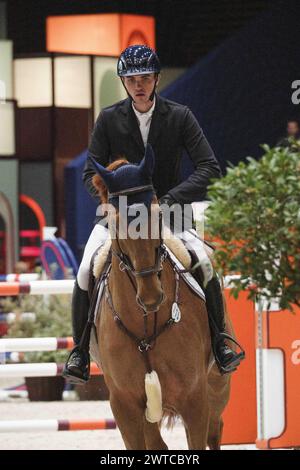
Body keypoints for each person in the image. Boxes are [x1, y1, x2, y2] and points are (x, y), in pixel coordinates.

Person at [63, 45, 244, 383]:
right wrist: (113, 202)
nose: (139, 85)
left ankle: (221, 343)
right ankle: (80, 350)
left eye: (145, 78)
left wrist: (169, 199)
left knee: (203, 262)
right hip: (119, 217)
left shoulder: (179, 116)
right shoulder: (108, 119)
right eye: (131, 79)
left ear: (157, 79)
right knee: (87, 269)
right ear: (124, 83)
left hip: (170, 214)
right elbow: (90, 174)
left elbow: (209, 167)